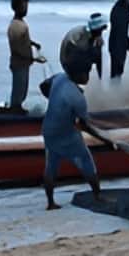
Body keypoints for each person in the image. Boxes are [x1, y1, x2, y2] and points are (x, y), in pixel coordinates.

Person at [38, 70, 100, 210]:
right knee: (86, 161)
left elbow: (42, 86)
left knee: (51, 165)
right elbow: (84, 125)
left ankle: (50, 203)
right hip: (67, 134)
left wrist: (52, 99)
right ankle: (97, 196)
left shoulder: (60, 77)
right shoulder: (78, 98)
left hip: (49, 130)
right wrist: (102, 138)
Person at [7, 0, 45, 112]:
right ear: (16, 8)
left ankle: (16, 110)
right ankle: (14, 114)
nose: (26, 10)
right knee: (18, 93)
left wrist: (33, 44)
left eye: (26, 7)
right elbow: (16, 49)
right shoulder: (16, 26)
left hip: (23, 63)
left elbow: (23, 40)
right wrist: (34, 59)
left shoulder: (20, 23)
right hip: (19, 63)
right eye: (23, 7)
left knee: (22, 90)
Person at [60, 13, 108, 79]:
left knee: (95, 53)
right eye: (101, 30)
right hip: (69, 62)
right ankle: (79, 76)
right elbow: (82, 52)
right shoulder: (82, 34)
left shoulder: (92, 35)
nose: (101, 32)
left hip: (75, 58)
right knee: (92, 54)